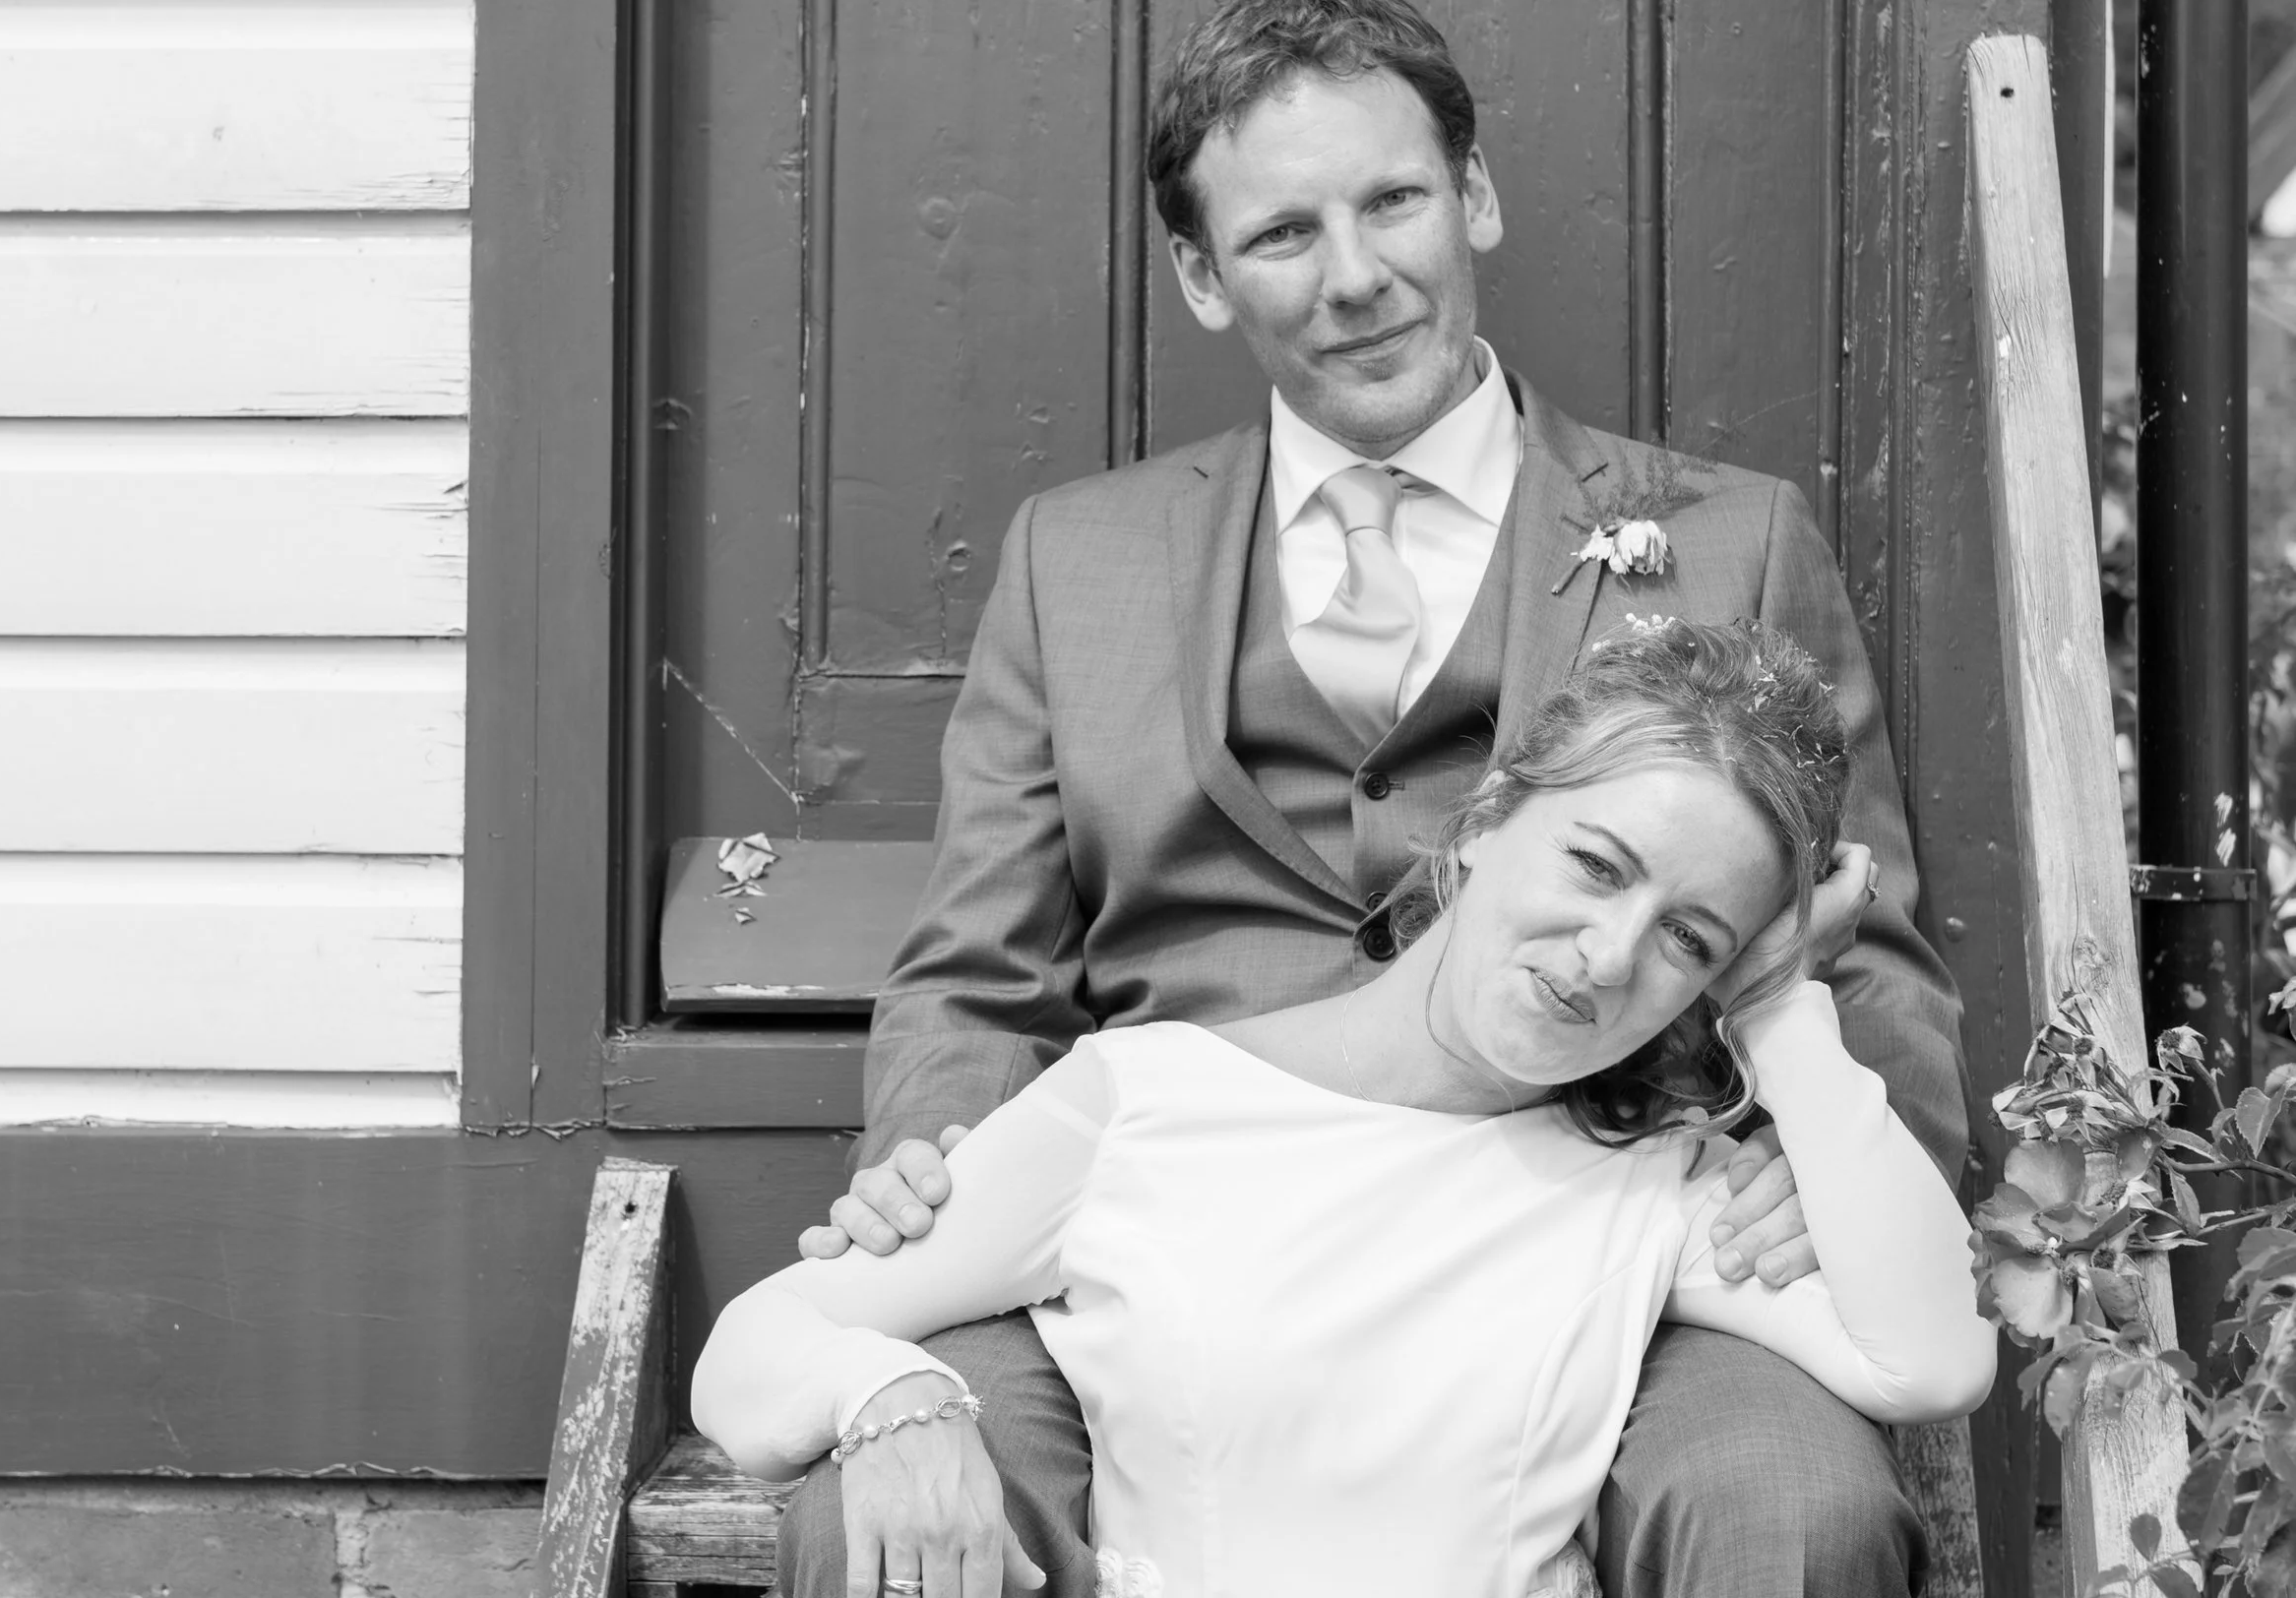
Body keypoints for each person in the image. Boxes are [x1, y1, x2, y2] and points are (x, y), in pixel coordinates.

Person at [779, 0, 1971, 1597]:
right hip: (1182, 1258)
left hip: (1602, 1224)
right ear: (1202, 276)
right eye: (1282, 236)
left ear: (1470, 195)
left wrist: (1817, 1172)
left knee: (1794, 1510)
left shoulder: (1728, 540)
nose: (1358, 279)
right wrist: (937, 1178)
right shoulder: (1083, 560)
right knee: (894, 1518)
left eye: (1396, 200)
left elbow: (1869, 956)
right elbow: (978, 977)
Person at [698, 623, 1996, 1598]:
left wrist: (1784, 1014)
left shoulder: (1649, 1185)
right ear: (1491, 820)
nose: (1606, 955)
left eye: (1689, 939)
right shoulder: (1144, 1105)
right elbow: (756, 1347)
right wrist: (895, 1402)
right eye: (1596, 866)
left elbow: (1927, 1360)